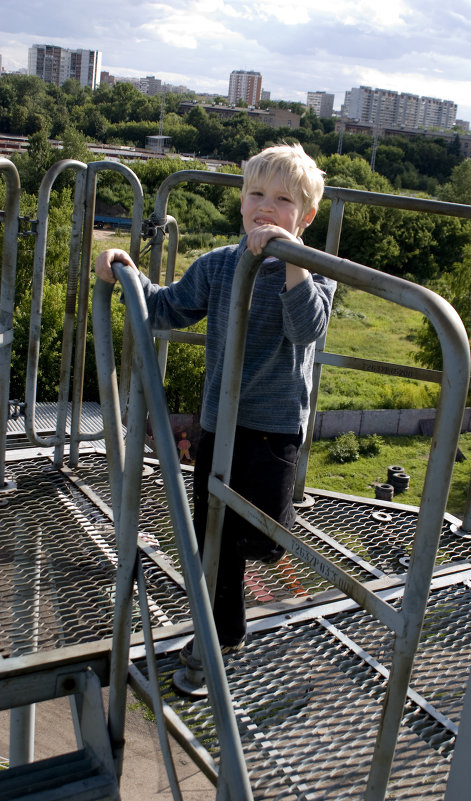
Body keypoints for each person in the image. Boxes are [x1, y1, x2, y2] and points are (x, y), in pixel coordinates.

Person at [94, 143, 336, 673]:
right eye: (256, 194)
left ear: (307, 216)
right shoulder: (221, 265)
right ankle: (223, 633)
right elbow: (165, 309)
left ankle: (265, 546)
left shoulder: (317, 274)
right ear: (241, 203)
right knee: (212, 535)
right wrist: (125, 272)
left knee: (264, 538)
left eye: (282, 199)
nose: (265, 207)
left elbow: (307, 329)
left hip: (273, 430)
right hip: (218, 422)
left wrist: (291, 261)